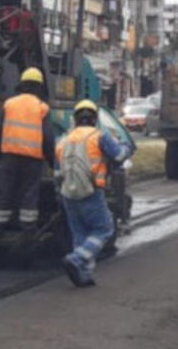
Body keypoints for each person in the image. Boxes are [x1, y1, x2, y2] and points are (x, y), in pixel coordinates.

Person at [56, 99, 134, 287]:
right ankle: (76, 259)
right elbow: (119, 156)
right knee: (104, 229)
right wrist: (126, 146)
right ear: (94, 118)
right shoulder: (99, 136)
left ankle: (83, 275)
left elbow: (58, 170)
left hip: (68, 194)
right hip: (91, 192)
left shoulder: (63, 140)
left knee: (80, 235)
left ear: (75, 118)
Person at [0, 67, 55, 238]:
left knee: (5, 191)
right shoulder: (42, 107)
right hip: (32, 159)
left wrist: (0, 153)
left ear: (22, 84)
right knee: (29, 193)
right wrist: (51, 160)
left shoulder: (9, 104)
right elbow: (47, 137)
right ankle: (28, 229)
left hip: (10, 156)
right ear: (39, 87)